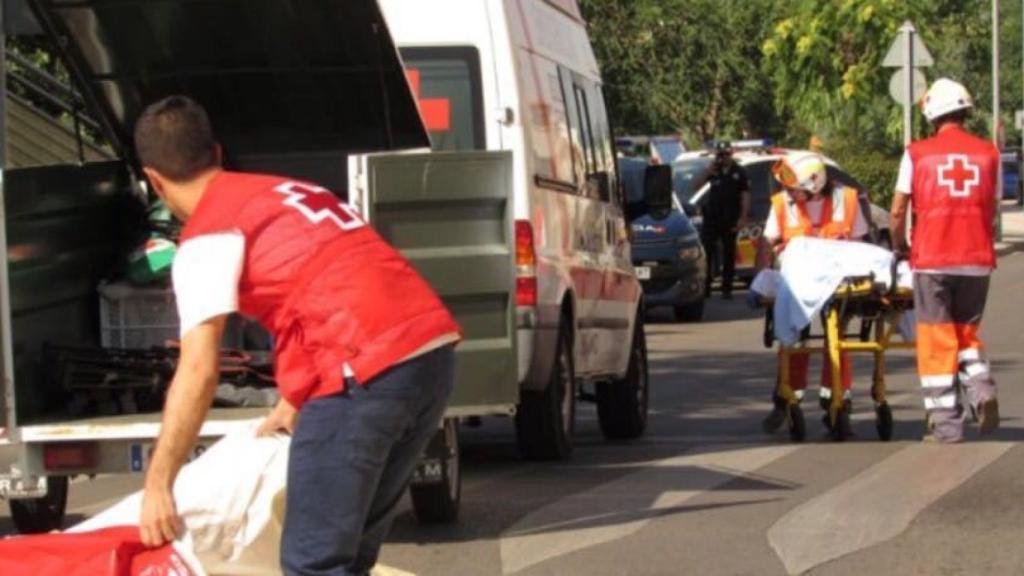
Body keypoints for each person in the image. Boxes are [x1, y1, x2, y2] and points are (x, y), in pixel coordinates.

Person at [134, 95, 462, 575]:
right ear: (217, 154)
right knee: (350, 557)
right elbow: (324, 281)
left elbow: (199, 369)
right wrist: (296, 397)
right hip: (428, 352)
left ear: (154, 180)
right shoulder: (289, 192)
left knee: (315, 563)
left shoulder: (207, 238)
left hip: (363, 372)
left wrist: (158, 484)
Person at [890, 78, 999, 444]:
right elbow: (993, 208)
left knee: (937, 340)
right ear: (964, 111)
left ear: (932, 113)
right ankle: (982, 388)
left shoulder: (917, 153)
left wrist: (898, 245)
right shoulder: (990, 153)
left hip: (933, 259)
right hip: (977, 259)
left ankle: (948, 424)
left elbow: (898, 209)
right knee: (966, 333)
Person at [760, 152, 869, 433]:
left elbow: (859, 244)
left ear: (813, 186)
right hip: (798, 283)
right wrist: (765, 275)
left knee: (837, 340)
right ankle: (787, 398)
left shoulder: (846, 200)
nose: (788, 191)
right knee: (794, 339)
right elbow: (768, 242)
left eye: (794, 186)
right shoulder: (783, 203)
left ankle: (837, 400)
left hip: (837, 283)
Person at [693, 141, 751, 298]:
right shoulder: (713, 171)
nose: (723, 157)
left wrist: (742, 217)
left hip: (730, 218)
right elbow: (695, 186)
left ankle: (727, 289)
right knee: (708, 254)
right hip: (712, 218)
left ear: (731, 154)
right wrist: (708, 171)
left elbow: (745, 196)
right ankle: (705, 289)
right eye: (720, 154)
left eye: (726, 154)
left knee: (728, 254)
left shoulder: (739, 172)